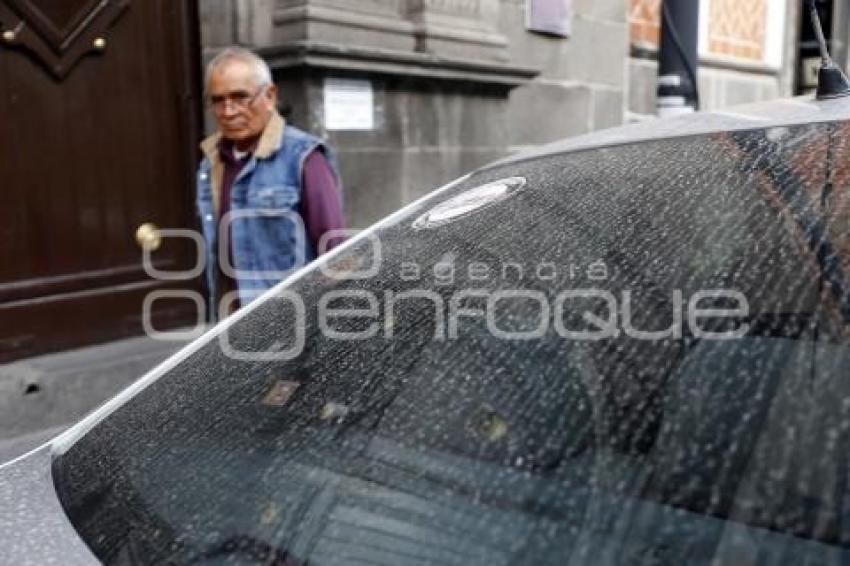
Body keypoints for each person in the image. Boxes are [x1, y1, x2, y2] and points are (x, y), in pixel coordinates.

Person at [196, 47, 345, 320]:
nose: (228, 111)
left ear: (270, 96)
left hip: (294, 320)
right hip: (234, 319)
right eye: (218, 101)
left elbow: (334, 251)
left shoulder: (303, 158)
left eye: (240, 97)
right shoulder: (211, 164)